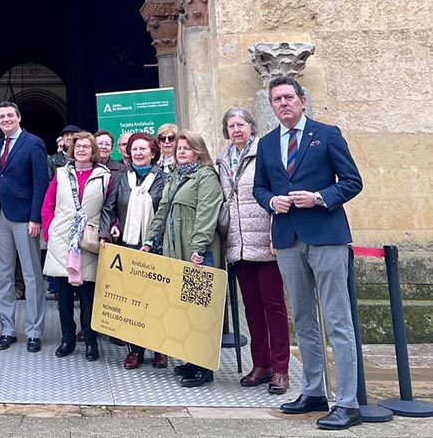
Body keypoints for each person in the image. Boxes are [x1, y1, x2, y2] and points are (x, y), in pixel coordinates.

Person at [253, 76, 363, 430]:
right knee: (302, 319)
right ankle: (314, 391)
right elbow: (259, 188)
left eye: (288, 97)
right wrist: (272, 201)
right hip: (288, 238)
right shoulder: (267, 144)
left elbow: (352, 181)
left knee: (337, 319)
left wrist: (319, 197)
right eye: (276, 99)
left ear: (302, 101)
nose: (283, 103)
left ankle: (348, 402)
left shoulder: (327, 134)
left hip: (326, 236)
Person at [217, 107, 291, 394]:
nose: (236, 130)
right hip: (238, 244)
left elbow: (276, 194)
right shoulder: (223, 159)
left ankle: (281, 368)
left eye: (241, 124)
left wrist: (275, 234)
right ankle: (261, 364)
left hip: (264, 241)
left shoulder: (265, 152)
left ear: (251, 126)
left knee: (274, 307)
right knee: (252, 308)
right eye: (231, 125)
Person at [142, 130, 222, 388]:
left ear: (198, 151)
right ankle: (191, 360)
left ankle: (204, 369)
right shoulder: (175, 175)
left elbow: (207, 213)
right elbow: (162, 211)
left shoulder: (206, 176)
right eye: (179, 148)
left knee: (200, 310)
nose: (182, 152)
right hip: (174, 248)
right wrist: (149, 239)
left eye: (187, 148)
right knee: (184, 307)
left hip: (196, 251)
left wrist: (199, 247)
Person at [41, 132, 111, 361]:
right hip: (62, 239)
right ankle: (67, 339)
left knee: (88, 296)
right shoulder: (61, 173)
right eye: (78, 146)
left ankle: (91, 341)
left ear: (94, 151)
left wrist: (108, 230)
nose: (81, 150)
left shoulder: (104, 176)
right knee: (64, 297)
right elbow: (48, 204)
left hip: (88, 240)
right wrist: (49, 230)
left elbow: (109, 208)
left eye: (86, 147)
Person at [99, 132, 166, 369]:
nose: (138, 153)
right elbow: (109, 208)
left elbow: (166, 213)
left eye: (142, 149)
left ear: (153, 153)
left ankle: (159, 350)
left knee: (156, 303)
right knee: (133, 302)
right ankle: (135, 351)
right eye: (134, 149)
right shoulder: (121, 177)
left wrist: (154, 241)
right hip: (127, 247)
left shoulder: (162, 178)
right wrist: (107, 232)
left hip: (155, 249)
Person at [0, 101, 49, 353]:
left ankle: (34, 331)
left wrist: (36, 217)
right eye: (1, 116)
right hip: (0, 215)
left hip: (26, 217)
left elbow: (40, 182)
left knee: (31, 275)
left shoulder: (34, 143)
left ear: (18, 117)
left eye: (9, 115)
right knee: (3, 275)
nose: (5, 119)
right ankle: (7, 329)